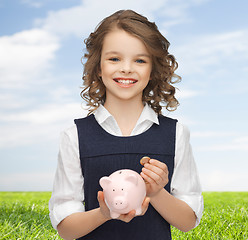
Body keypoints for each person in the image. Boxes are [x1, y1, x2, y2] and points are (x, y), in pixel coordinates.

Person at [49, 9, 204, 240]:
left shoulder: (175, 134)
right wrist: (105, 212)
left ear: (152, 70)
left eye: (140, 60)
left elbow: (188, 221)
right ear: (98, 67)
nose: (126, 68)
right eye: (114, 58)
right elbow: (66, 229)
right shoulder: (75, 136)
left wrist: (157, 192)